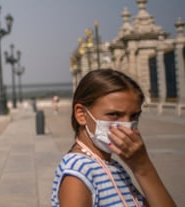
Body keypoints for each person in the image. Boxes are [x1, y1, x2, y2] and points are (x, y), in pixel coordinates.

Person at [51, 69, 176, 207]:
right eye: (114, 114)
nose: (127, 126)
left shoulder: (113, 165)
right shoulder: (78, 172)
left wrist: (143, 166)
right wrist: (142, 167)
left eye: (134, 116)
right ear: (81, 115)